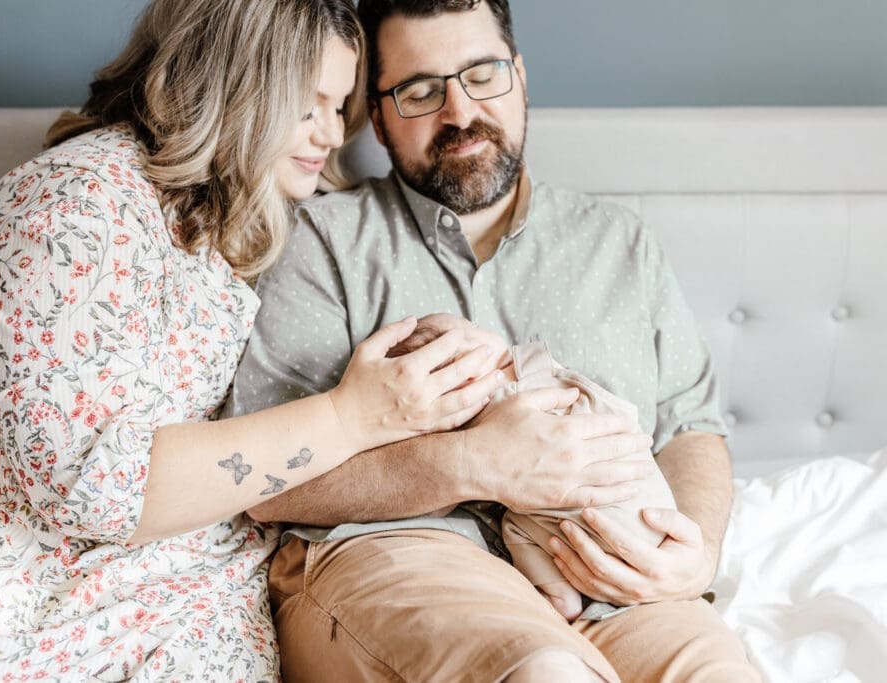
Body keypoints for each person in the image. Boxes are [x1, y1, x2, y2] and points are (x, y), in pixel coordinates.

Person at [0, 1, 506, 680]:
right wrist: (352, 415)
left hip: (168, 547)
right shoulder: (78, 202)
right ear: (230, 82)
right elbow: (89, 482)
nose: (328, 133)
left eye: (338, 105)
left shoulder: (262, 216)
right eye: (307, 102)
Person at [225, 0, 762, 680]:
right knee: (542, 673)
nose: (459, 112)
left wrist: (700, 549)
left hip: (609, 569)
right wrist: (472, 463)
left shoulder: (618, 243)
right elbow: (266, 483)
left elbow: (691, 426)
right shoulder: (323, 242)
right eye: (421, 91)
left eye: (482, 75)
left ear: (521, 79)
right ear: (380, 116)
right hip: (406, 555)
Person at [388, 313, 678, 623]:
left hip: (609, 536)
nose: (480, 328)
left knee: (515, 522)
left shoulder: (469, 420)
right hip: (654, 518)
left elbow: (441, 503)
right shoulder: (527, 374)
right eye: (470, 331)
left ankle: (560, 597)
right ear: (465, 373)